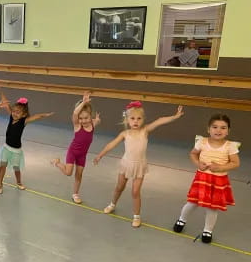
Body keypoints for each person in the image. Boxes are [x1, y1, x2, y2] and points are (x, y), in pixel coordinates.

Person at [94, 101, 184, 227]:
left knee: (135, 192)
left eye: (139, 118)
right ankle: (112, 204)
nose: (135, 121)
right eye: (132, 118)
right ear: (127, 120)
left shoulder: (145, 131)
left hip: (139, 165)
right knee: (119, 187)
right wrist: (100, 155)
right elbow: (111, 144)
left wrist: (175, 116)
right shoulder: (125, 134)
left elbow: (159, 121)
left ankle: (136, 216)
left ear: (143, 120)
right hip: (126, 164)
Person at [173, 114, 240, 243]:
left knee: (212, 208)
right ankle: (181, 219)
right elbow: (193, 153)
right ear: (208, 129)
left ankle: (207, 231)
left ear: (228, 131)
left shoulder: (230, 146)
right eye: (215, 127)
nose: (218, 130)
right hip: (202, 178)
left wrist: (220, 167)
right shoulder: (202, 141)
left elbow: (235, 163)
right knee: (192, 203)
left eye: (223, 128)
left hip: (218, 181)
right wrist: (198, 163)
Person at [0, 89, 54, 194]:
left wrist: (45, 115)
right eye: (13, 111)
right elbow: (5, 101)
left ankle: (19, 182)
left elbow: (36, 116)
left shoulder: (24, 121)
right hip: (6, 148)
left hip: (16, 150)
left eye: (18, 112)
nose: (14, 114)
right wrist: (0, 91)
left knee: (16, 168)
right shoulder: (11, 117)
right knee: (2, 165)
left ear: (24, 114)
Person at [50, 92, 101, 204]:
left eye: (86, 118)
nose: (83, 121)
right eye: (81, 118)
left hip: (82, 155)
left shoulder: (92, 124)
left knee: (79, 175)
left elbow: (95, 122)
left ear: (90, 116)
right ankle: (57, 163)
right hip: (73, 152)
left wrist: (97, 119)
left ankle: (75, 194)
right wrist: (83, 102)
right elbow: (75, 113)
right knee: (68, 173)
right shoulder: (77, 125)